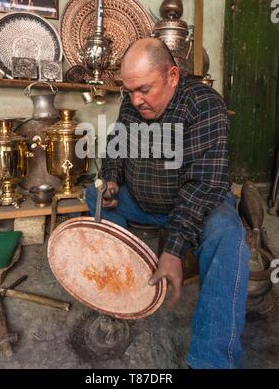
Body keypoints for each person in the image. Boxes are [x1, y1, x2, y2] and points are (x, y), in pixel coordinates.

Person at [85, 38, 250, 369]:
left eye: (143, 89)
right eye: (129, 91)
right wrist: (112, 178)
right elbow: (117, 145)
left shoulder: (204, 105)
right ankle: (126, 287)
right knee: (94, 193)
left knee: (228, 235)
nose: (136, 100)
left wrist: (174, 250)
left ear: (172, 76)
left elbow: (202, 186)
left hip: (194, 206)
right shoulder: (134, 101)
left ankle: (210, 360)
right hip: (144, 202)